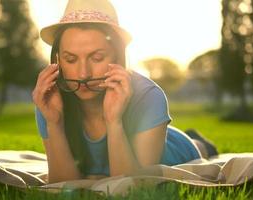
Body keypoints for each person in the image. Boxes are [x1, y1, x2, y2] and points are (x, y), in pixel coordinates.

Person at [32, 0, 218, 183]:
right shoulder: (49, 98)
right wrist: (54, 123)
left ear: (118, 55)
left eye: (97, 57)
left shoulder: (149, 96)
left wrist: (114, 121)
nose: (83, 73)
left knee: (200, 149)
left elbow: (132, 187)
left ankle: (198, 141)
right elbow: (61, 185)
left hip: (176, 149)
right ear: (57, 59)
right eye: (70, 59)